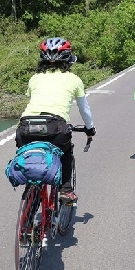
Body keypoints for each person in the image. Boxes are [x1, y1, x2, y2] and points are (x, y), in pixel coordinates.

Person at [16, 37, 95, 202]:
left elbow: (33, 100)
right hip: (56, 127)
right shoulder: (74, 80)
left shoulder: (34, 78)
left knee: (29, 153)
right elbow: (84, 109)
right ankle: (65, 190)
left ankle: (30, 188)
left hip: (25, 127)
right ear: (68, 58)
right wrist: (90, 128)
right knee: (66, 154)